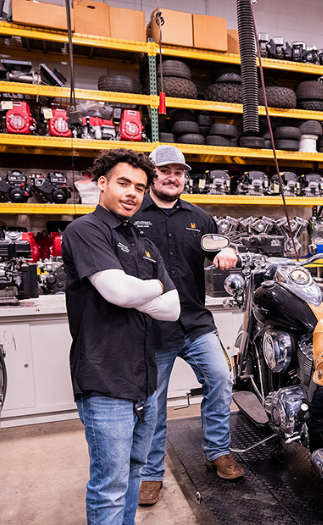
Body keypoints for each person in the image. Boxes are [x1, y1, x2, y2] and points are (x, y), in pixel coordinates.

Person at [62, 148, 180, 525]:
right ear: (102, 183)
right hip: (104, 378)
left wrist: (136, 293)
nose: (133, 193)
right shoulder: (85, 231)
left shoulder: (145, 245)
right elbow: (120, 293)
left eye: (140, 187)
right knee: (110, 483)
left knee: (134, 471)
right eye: (123, 183)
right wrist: (152, 288)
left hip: (144, 379)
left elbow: (173, 309)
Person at [132, 145, 243, 507]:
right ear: (152, 175)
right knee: (152, 402)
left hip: (195, 321)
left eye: (178, 172)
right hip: (152, 327)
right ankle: (150, 473)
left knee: (221, 378)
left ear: (185, 177)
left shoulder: (200, 218)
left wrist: (228, 251)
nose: (172, 177)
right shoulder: (133, 215)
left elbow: (221, 250)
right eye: (165, 171)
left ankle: (217, 452)